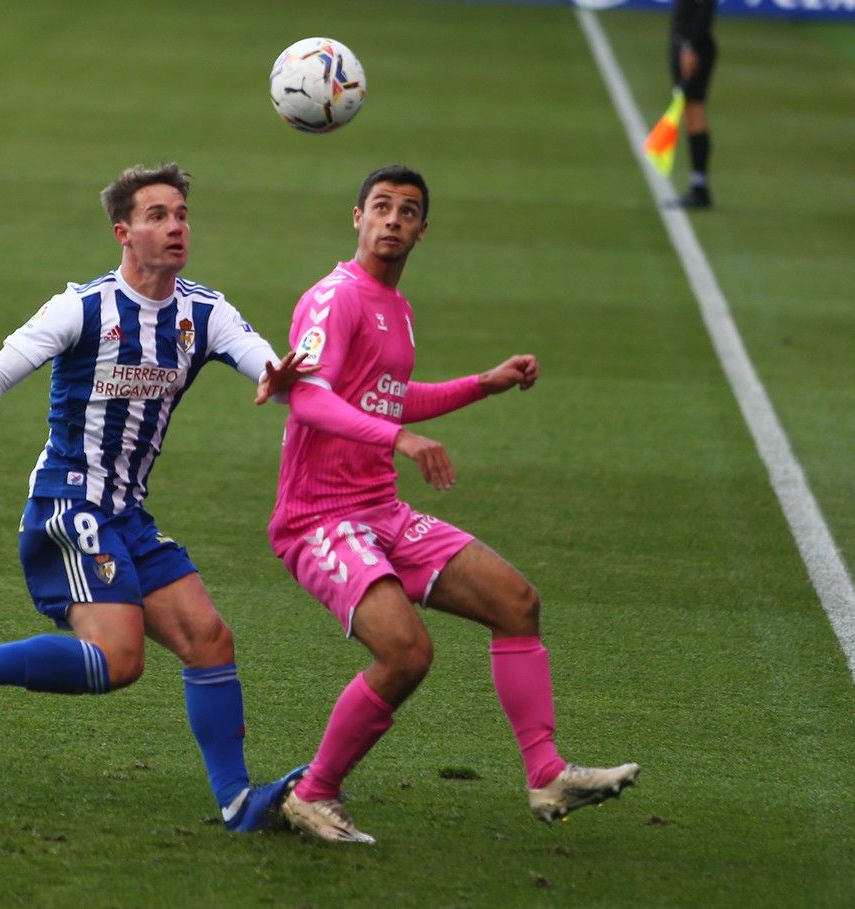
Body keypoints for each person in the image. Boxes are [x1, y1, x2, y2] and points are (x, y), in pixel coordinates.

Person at [0, 162, 311, 833]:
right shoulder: (82, 307)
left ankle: (239, 803)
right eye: (157, 215)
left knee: (210, 638)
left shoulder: (204, 313)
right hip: (68, 505)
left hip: (126, 514)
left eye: (181, 213)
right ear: (124, 232)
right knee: (119, 660)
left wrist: (279, 375)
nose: (175, 225)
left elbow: (261, 358)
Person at [267, 165, 639, 844]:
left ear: (422, 231)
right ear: (357, 218)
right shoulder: (334, 297)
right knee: (407, 651)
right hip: (320, 517)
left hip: (380, 510)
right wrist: (402, 439)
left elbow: (383, 394)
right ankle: (313, 793)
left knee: (515, 601)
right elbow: (310, 396)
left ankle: (547, 771)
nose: (392, 220)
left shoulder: (396, 308)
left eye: (408, 212)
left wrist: (482, 384)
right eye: (381, 207)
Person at [671, 0, 719, 208]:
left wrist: (691, 45)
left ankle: (700, 188)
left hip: (693, 48)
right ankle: (698, 186)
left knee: (694, 113)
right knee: (691, 114)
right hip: (685, 44)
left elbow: (705, 8)